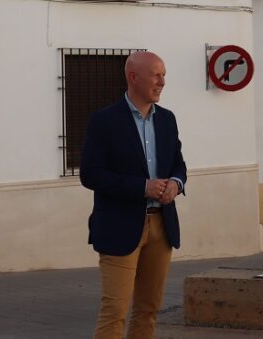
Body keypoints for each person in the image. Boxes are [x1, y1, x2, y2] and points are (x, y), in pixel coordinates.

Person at [80, 51, 187, 339]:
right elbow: (90, 175)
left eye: (163, 75)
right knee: (115, 311)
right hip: (119, 226)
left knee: (149, 310)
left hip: (161, 226)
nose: (162, 82)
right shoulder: (103, 121)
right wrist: (142, 187)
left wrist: (176, 183)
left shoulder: (167, 119)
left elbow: (178, 162)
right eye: (156, 75)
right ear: (133, 77)